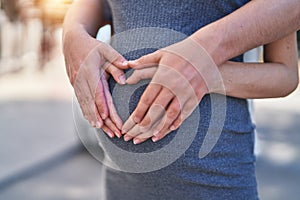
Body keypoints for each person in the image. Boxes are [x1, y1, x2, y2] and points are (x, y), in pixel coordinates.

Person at [63, 0, 299, 199]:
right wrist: (73, 35)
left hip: (215, 181)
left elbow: (285, 74)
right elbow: (88, 9)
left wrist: (207, 75)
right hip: (122, 181)